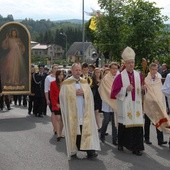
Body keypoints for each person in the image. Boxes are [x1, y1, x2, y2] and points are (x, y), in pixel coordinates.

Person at [59, 63, 100, 160]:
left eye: (79, 70)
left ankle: (90, 152)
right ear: (72, 71)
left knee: (86, 131)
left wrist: (84, 93)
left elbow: (90, 96)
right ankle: (73, 151)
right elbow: (62, 97)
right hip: (73, 113)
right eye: (76, 70)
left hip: (84, 111)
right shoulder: (66, 83)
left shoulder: (84, 82)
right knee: (75, 132)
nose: (78, 72)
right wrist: (73, 93)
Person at [111, 46, 145, 156]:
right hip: (125, 105)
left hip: (137, 105)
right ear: (125, 63)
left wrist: (144, 89)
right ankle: (121, 143)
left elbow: (142, 89)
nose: (131, 64)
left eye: (133, 62)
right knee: (124, 125)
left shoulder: (138, 75)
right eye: (129, 62)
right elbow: (114, 92)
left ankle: (137, 147)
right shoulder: (120, 77)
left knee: (138, 126)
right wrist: (125, 89)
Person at [143, 63, 169, 146]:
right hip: (149, 103)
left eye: (156, 69)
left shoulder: (159, 77)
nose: (155, 71)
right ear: (150, 69)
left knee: (159, 119)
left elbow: (159, 90)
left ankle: (160, 140)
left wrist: (159, 100)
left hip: (158, 102)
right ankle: (146, 138)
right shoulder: (146, 79)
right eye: (153, 69)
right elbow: (147, 92)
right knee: (147, 121)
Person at [98, 62, 119, 145]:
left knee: (115, 121)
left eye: (116, 68)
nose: (114, 70)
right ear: (110, 69)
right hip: (107, 102)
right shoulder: (106, 78)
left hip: (116, 102)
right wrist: (113, 94)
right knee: (106, 120)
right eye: (113, 68)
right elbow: (104, 90)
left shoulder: (118, 77)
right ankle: (102, 135)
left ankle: (115, 139)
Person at [50, 70, 64, 141]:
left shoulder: (65, 84)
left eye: (62, 75)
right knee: (58, 118)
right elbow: (52, 95)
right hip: (56, 103)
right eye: (59, 75)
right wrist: (56, 104)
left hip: (64, 104)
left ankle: (60, 133)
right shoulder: (52, 83)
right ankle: (58, 135)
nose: (61, 76)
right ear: (57, 76)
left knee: (63, 120)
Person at [44, 64, 58, 133]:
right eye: (55, 68)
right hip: (51, 95)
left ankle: (58, 127)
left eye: (57, 68)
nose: (56, 70)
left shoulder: (59, 77)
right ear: (52, 69)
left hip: (58, 96)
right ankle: (55, 128)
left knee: (58, 114)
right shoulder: (48, 78)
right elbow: (46, 89)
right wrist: (47, 99)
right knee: (53, 112)